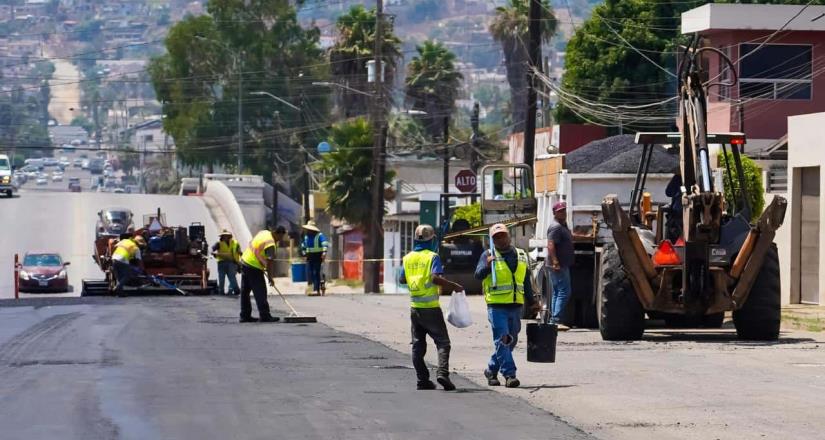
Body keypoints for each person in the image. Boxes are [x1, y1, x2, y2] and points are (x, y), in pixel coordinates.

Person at [399, 224, 462, 391]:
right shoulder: (432, 257)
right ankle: (442, 373)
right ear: (432, 239)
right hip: (431, 308)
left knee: (418, 345)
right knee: (443, 343)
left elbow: (402, 280)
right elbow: (435, 278)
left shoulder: (407, 258)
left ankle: (422, 380)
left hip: (415, 308)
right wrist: (453, 285)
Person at [474, 223, 537, 388]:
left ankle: (491, 369)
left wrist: (532, 302)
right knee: (503, 339)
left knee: (512, 340)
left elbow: (525, 281)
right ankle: (510, 374)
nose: (501, 239)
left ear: (509, 236)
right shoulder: (488, 255)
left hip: (516, 305)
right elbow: (478, 275)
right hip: (496, 306)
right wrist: (487, 266)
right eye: (497, 237)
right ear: (492, 240)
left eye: (503, 235)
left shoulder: (521, 255)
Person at [238, 226, 286, 323]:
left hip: (245, 261)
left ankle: (245, 315)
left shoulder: (264, 233)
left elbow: (255, 247)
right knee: (260, 291)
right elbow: (269, 262)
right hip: (253, 266)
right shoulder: (270, 244)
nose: (281, 239)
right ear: (279, 234)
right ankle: (264, 315)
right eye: (281, 236)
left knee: (245, 291)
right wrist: (270, 277)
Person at [546, 201, 574, 331]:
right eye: (560, 211)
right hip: (558, 264)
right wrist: (555, 261)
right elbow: (551, 244)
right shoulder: (556, 227)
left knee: (558, 292)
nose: (563, 213)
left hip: (561, 264)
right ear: (554, 213)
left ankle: (554, 321)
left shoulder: (563, 226)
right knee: (564, 291)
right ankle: (556, 320)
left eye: (564, 210)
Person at [300, 220, 329, 296]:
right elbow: (303, 246)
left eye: (309, 229)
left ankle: (317, 290)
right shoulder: (307, 237)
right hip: (309, 256)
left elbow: (325, 243)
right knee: (309, 273)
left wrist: (324, 252)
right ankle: (310, 288)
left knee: (316, 272)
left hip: (317, 256)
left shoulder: (319, 235)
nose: (308, 231)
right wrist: (304, 253)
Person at [212, 229, 241, 295]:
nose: (225, 237)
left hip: (231, 262)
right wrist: (212, 252)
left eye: (227, 236)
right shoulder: (218, 243)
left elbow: (239, 250)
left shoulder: (234, 243)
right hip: (221, 263)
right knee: (221, 278)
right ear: (222, 236)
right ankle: (221, 292)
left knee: (232, 277)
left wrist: (239, 260)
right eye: (224, 236)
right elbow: (212, 248)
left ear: (229, 236)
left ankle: (236, 290)